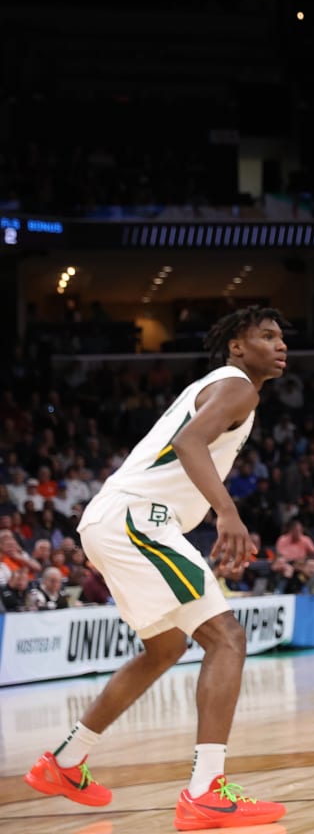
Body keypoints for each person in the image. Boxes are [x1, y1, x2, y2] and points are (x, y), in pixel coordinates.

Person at [24, 308, 290, 827]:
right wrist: (228, 513)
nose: (281, 345)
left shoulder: (224, 386)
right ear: (237, 346)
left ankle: (64, 762)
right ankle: (206, 790)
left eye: (282, 337)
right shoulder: (238, 386)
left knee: (166, 647)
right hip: (138, 520)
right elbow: (188, 443)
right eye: (267, 335)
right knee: (227, 639)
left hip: (118, 519)